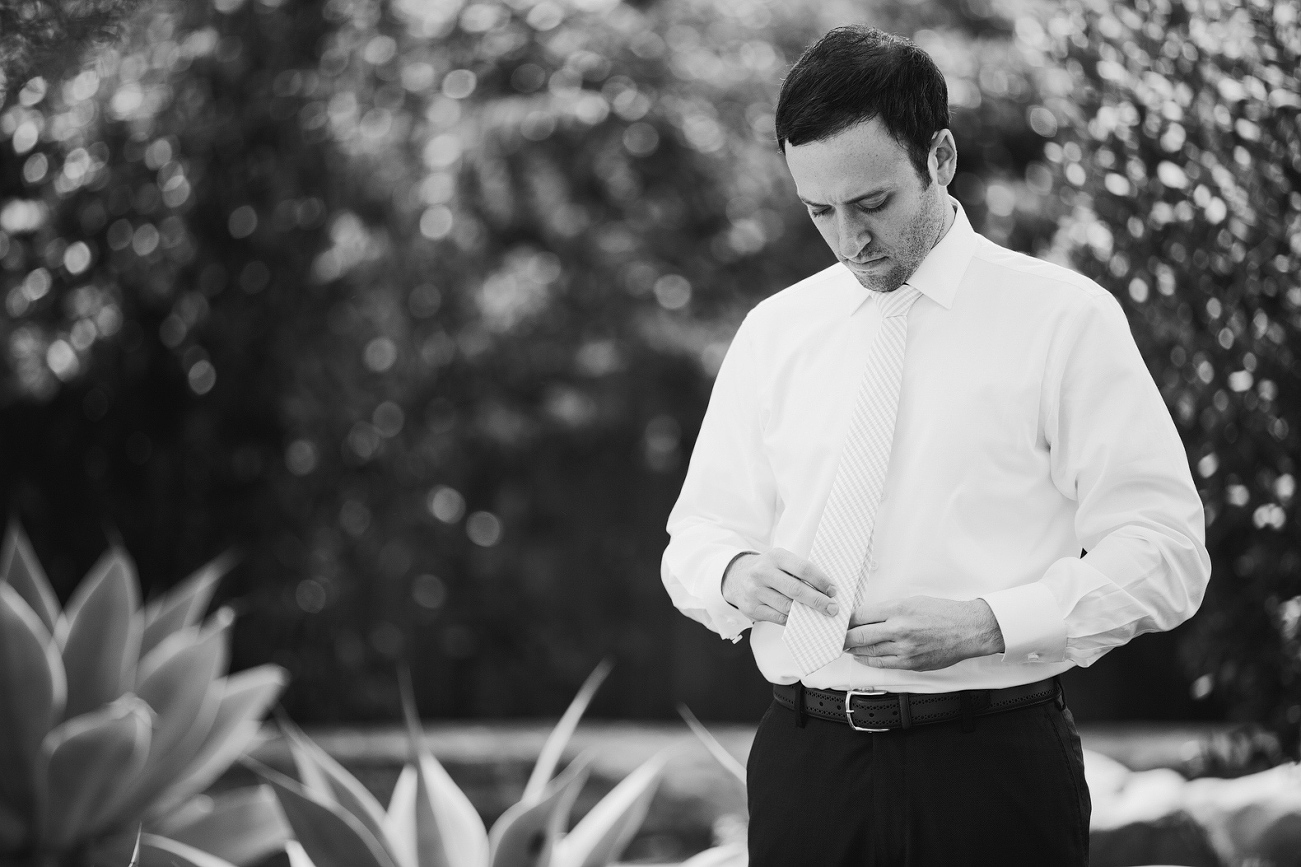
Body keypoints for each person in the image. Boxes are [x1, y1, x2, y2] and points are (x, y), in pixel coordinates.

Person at [660, 25, 1211, 867]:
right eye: (819, 212)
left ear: (940, 157)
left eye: (872, 203)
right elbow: (694, 537)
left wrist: (988, 624)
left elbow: (1167, 552)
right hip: (805, 771)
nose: (848, 240)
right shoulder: (774, 332)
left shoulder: (1063, 320)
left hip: (993, 773)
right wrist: (734, 573)